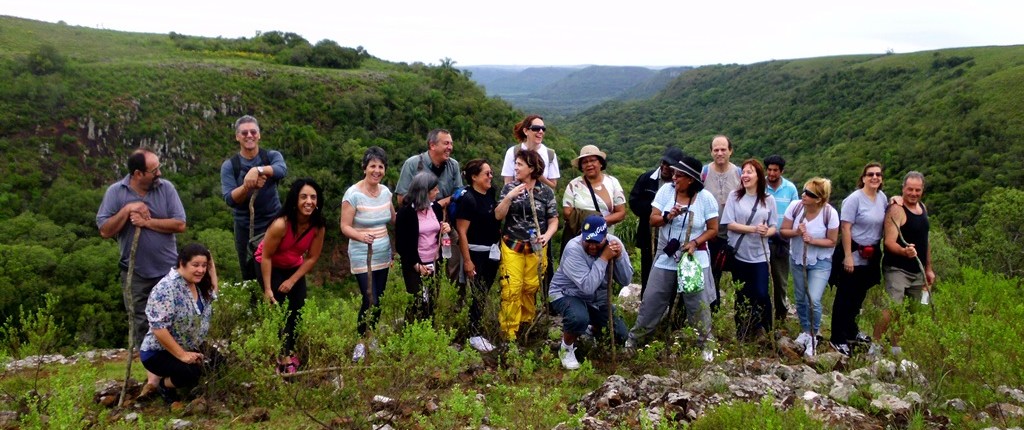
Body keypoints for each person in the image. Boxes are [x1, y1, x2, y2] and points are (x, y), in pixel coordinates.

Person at [97, 148, 187, 393]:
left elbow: (179, 223)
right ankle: (153, 379)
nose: (159, 173)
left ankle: (176, 372)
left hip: (167, 272)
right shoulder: (116, 193)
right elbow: (105, 230)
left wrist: (148, 223)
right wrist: (126, 211)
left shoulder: (165, 188)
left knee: (173, 322)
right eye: (154, 170)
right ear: (137, 173)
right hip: (134, 272)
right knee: (141, 322)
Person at [626, 156, 719, 362]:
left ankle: (705, 343)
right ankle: (636, 339)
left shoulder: (706, 199)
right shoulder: (666, 191)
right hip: (667, 254)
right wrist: (669, 216)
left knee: (697, 301)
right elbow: (653, 219)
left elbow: (713, 229)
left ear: (691, 180)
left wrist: (695, 242)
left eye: (679, 175)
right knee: (653, 297)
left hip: (695, 257)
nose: (674, 177)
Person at [255, 179, 327, 373]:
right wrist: (268, 289)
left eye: (313, 197)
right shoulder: (281, 224)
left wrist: (292, 280)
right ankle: (282, 357)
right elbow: (266, 257)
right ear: (295, 200)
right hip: (269, 264)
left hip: (293, 267)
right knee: (279, 308)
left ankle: (290, 351)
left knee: (297, 308)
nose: (309, 201)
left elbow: (312, 258)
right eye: (303, 197)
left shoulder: (317, 227)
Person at [140, 243, 222, 403]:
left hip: (190, 344)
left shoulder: (198, 285)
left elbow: (213, 292)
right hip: (158, 352)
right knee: (192, 371)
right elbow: (159, 328)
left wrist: (211, 268)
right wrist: (182, 356)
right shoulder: (166, 288)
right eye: (195, 265)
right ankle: (164, 386)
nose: (201, 270)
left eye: (204, 265)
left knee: (217, 363)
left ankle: (188, 387)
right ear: (182, 263)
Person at [549, 215, 632, 370]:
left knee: (620, 334)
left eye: (597, 242)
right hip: (566, 293)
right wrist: (604, 258)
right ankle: (566, 348)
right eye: (589, 241)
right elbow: (587, 286)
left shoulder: (614, 244)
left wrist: (619, 257)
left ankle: (590, 332)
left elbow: (626, 280)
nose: (592, 246)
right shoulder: (573, 248)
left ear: (605, 237)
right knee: (578, 317)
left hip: (596, 300)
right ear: (582, 235)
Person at [495, 149, 558, 341]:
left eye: (520, 164)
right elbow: (498, 215)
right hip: (512, 244)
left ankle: (526, 325)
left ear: (532, 168)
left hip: (537, 248)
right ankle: (509, 333)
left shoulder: (545, 192)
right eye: (515, 164)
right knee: (512, 288)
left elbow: (553, 219)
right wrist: (509, 197)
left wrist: (547, 235)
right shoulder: (509, 188)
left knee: (530, 287)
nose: (515, 168)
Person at [340, 147, 396, 362]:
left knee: (379, 298)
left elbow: (393, 218)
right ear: (364, 168)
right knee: (369, 296)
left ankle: (371, 336)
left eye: (381, 166)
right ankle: (361, 341)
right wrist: (361, 237)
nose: (377, 170)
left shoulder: (385, 192)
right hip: (361, 251)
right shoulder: (352, 194)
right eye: (372, 165)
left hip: (382, 252)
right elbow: (345, 226)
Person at [871, 171, 934, 356]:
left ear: (922, 190)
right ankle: (875, 347)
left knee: (909, 311)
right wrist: (904, 251)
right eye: (910, 189)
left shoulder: (923, 208)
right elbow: (889, 242)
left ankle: (896, 348)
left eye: (917, 190)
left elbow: (926, 240)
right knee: (892, 307)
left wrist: (929, 269)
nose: (913, 193)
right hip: (897, 268)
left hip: (918, 271)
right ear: (903, 189)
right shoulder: (896, 209)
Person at [829, 163, 887, 357]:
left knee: (858, 297)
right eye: (870, 174)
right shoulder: (854, 200)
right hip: (853, 252)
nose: (874, 177)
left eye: (878, 175)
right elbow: (845, 228)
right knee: (844, 296)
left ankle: (851, 331)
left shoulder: (883, 198)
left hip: (870, 256)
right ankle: (837, 337)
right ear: (863, 178)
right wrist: (847, 256)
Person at [220, 115, 288, 280]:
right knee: (249, 273)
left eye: (253, 132)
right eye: (244, 133)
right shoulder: (230, 166)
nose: (249, 135)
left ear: (259, 135)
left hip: (273, 224)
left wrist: (257, 170)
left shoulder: (270, 156)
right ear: (237, 137)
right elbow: (230, 199)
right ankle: (255, 305)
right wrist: (246, 186)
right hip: (245, 228)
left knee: (279, 267)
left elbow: (281, 170)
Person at [780, 178, 839, 357]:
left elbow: (832, 241)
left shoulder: (830, 213)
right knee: (800, 297)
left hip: (820, 260)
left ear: (819, 199)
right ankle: (805, 331)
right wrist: (797, 232)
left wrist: (812, 240)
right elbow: (783, 231)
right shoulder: (796, 207)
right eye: (804, 191)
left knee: (813, 298)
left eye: (809, 194)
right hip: (798, 258)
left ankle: (814, 334)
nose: (804, 195)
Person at [721, 159, 777, 341]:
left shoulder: (769, 200)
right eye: (743, 172)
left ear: (759, 176)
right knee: (742, 294)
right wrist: (754, 229)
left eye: (750, 172)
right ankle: (743, 332)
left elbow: (774, 226)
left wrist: (766, 232)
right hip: (739, 254)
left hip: (760, 254)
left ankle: (765, 329)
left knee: (761, 292)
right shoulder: (734, 197)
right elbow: (729, 223)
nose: (745, 175)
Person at [395, 129, 463, 280]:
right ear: (432, 145)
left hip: (445, 226)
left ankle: (448, 302)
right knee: (417, 274)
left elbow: (459, 195)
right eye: (446, 143)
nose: (450, 147)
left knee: (452, 272)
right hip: (418, 228)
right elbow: (401, 199)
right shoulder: (413, 164)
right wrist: (432, 204)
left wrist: (439, 205)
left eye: (451, 143)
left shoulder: (453, 166)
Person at [454, 159, 501, 353]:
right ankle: (473, 333)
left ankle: (477, 330)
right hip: (476, 253)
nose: (490, 177)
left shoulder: (490, 193)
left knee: (484, 292)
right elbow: (462, 232)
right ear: (474, 177)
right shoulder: (468, 199)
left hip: (492, 252)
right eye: (486, 174)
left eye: (490, 173)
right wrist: (467, 260)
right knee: (478, 293)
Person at [395, 171, 451, 322]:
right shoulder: (406, 213)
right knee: (417, 301)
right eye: (434, 189)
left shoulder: (436, 209)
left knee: (431, 301)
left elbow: (437, 233)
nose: (438, 192)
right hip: (415, 263)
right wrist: (415, 264)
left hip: (434, 261)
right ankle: (410, 333)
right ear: (424, 192)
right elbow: (401, 244)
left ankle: (429, 333)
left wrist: (445, 228)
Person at [629, 147, 684, 298]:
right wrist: (655, 212)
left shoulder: (681, 184)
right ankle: (646, 299)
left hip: (673, 234)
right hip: (649, 232)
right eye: (664, 163)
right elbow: (634, 201)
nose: (666, 167)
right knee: (648, 267)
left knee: (671, 266)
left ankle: (669, 301)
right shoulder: (647, 179)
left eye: (670, 165)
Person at [701, 135, 741, 312]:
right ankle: (713, 313)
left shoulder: (739, 173)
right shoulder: (704, 173)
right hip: (711, 233)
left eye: (723, 149)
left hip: (735, 234)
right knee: (711, 276)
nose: (720, 153)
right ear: (711, 152)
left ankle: (741, 315)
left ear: (730, 151)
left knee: (739, 277)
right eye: (716, 149)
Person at [561, 144, 626, 253]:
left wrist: (599, 222)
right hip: (580, 240)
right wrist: (589, 223)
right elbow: (567, 212)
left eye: (593, 160)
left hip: (605, 238)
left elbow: (621, 213)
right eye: (585, 162)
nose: (589, 164)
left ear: (600, 163)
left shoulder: (612, 182)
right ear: (581, 166)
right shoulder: (574, 185)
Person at [764, 155, 799, 321]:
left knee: (780, 280)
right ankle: (763, 315)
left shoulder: (790, 189)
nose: (771, 173)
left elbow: (797, 213)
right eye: (769, 169)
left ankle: (780, 314)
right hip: (761, 238)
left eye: (775, 170)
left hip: (782, 241)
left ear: (781, 171)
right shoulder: (760, 185)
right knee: (762, 279)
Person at [501, 114, 560, 189]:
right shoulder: (512, 152)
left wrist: (538, 176)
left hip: (542, 199)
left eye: (543, 129)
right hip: (518, 199)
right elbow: (507, 184)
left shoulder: (550, 154)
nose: (541, 131)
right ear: (526, 131)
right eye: (536, 128)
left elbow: (553, 186)